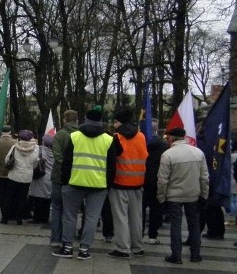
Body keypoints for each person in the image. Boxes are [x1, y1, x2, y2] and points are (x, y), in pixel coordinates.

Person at [53, 106, 118, 260]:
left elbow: (67, 162)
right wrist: (107, 185)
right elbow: (112, 166)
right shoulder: (109, 139)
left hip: (74, 182)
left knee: (69, 216)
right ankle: (84, 250)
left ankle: (67, 248)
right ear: (101, 121)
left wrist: (65, 181)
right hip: (98, 185)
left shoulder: (75, 136)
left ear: (85, 120)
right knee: (91, 218)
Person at [157, 126, 209, 264]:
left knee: (176, 225)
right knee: (194, 224)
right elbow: (204, 177)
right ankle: (195, 254)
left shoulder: (168, 155)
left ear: (172, 138)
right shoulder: (198, 153)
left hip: (174, 196)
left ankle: (176, 255)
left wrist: (161, 198)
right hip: (193, 194)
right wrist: (204, 195)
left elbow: (162, 180)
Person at [107, 107, 148, 258]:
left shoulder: (117, 138)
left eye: (115, 121)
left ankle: (123, 248)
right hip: (138, 182)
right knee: (136, 217)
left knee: (120, 217)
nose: (114, 124)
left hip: (120, 183)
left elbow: (112, 161)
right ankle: (138, 246)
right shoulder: (142, 136)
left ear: (121, 122)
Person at [50, 110, 78, 246]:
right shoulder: (81, 135)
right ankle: (68, 239)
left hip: (58, 177)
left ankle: (56, 239)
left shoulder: (60, 135)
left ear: (65, 119)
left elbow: (57, 156)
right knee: (71, 211)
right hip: (76, 177)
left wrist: (65, 167)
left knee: (57, 208)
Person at [5, 129, 40, 224]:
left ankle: (5, 218)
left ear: (20, 137)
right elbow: (35, 163)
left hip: (14, 175)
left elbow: (7, 159)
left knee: (10, 197)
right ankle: (19, 219)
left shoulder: (15, 147)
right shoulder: (36, 148)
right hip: (26, 177)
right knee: (22, 198)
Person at [143, 120, 168, 244]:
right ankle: (152, 235)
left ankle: (139, 233)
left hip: (141, 179)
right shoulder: (163, 145)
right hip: (156, 180)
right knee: (155, 209)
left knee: (140, 210)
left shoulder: (141, 143)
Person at [0, 124, 17, 224]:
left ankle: (4, 216)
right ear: (10, 132)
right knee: (11, 195)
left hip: (0, 172)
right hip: (12, 172)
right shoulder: (15, 142)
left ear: (1, 132)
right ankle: (11, 214)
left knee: (2, 194)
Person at [28, 132, 54, 224]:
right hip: (50, 177)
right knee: (47, 199)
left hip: (40, 176)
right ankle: (45, 218)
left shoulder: (40, 150)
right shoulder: (54, 152)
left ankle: (37, 218)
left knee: (38, 198)